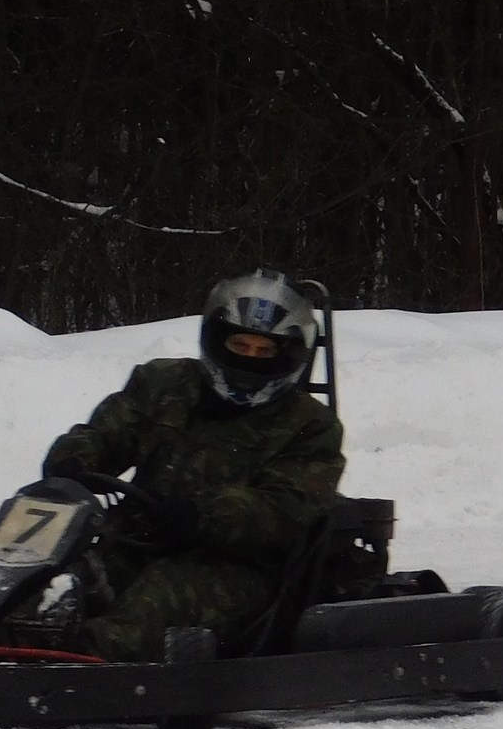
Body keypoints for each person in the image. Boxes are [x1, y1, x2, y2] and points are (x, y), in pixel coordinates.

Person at [42, 269, 345, 661]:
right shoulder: (163, 384)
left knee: (153, 603)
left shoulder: (312, 426)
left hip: (236, 569)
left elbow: (283, 507)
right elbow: (109, 431)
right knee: (57, 582)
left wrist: (201, 516)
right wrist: (76, 458)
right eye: (240, 345)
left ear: (287, 354)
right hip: (138, 543)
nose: (249, 359)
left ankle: (68, 663)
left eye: (263, 351)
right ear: (218, 340)